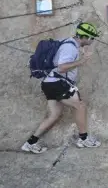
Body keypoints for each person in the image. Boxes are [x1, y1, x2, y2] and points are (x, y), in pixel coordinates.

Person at [21, 22, 102, 154]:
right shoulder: (70, 48)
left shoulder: (68, 43)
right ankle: (84, 139)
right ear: (85, 37)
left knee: (54, 115)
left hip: (49, 82)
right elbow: (62, 67)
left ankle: (30, 143)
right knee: (80, 106)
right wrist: (82, 61)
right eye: (92, 38)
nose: (92, 41)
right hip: (56, 82)